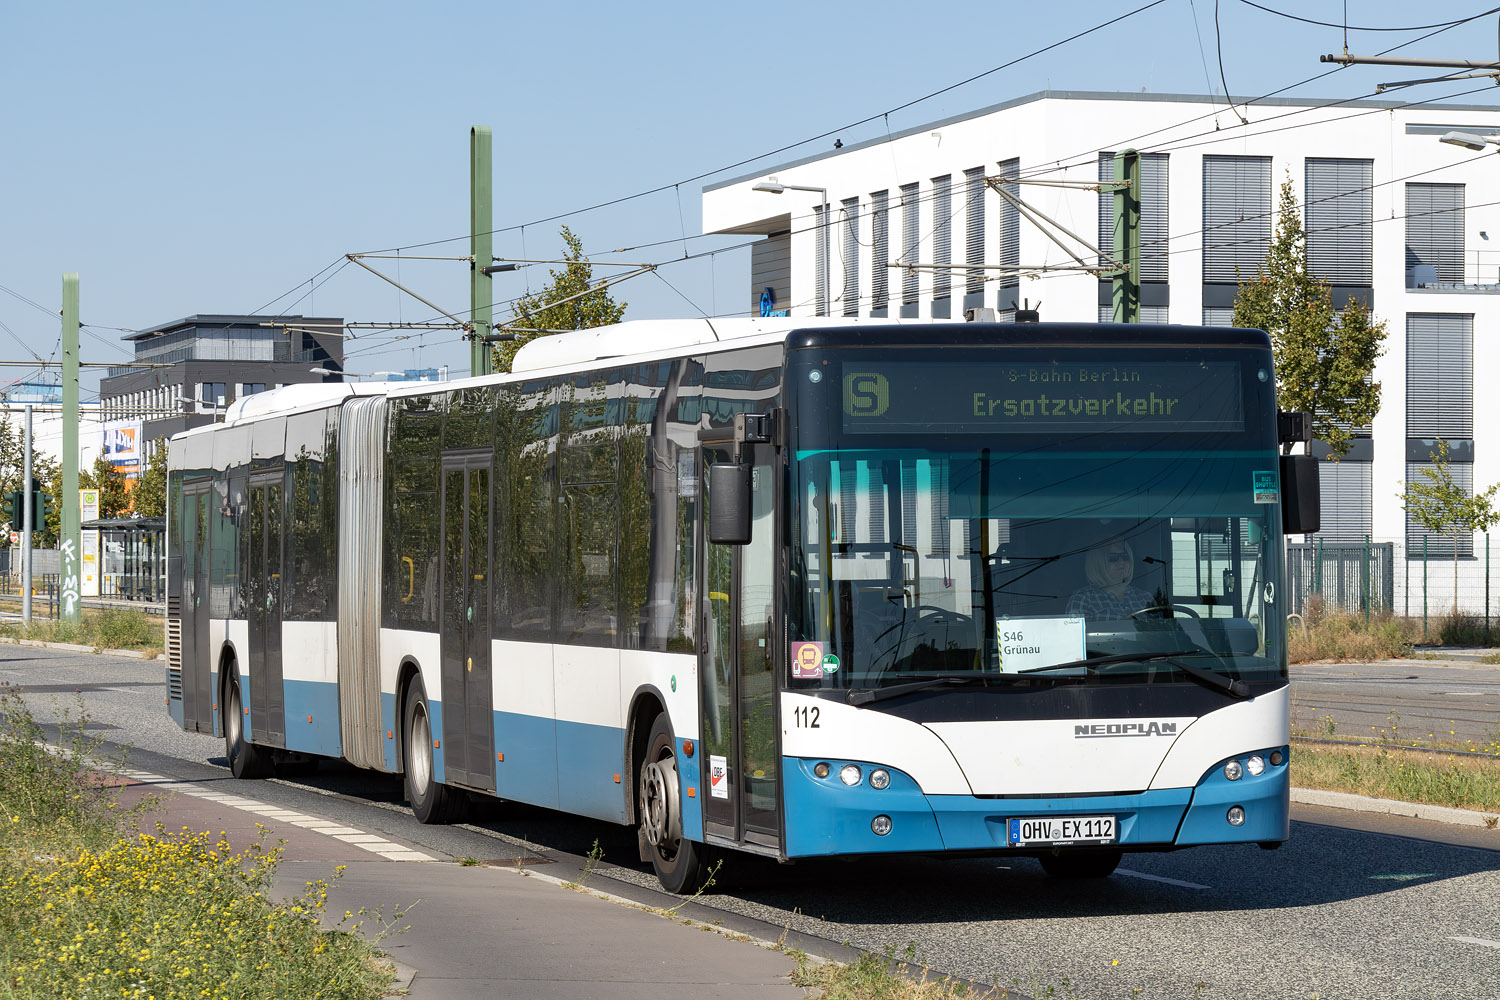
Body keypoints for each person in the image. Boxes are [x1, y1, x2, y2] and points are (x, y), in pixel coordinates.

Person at [1066, 541, 1153, 619]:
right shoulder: (1083, 598)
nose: (1121, 562)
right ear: (1097, 563)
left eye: (1125, 557)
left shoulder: (1144, 597)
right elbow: (1076, 634)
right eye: (1113, 558)